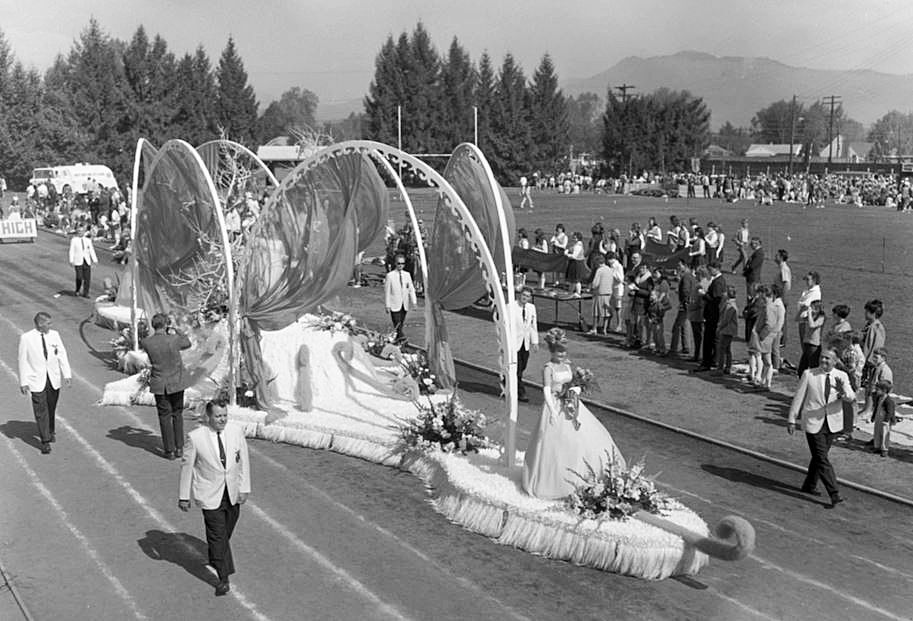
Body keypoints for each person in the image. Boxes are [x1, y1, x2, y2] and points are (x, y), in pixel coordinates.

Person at [522, 328, 625, 500]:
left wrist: (577, 388)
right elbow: (546, 390)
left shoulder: (568, 365)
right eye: (558, 352)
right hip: (555, 404)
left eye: (563, 352)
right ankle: (554, 481)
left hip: (571, 403)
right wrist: (553, 410)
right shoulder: (548, 368)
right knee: (557, 443)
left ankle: (590, 474)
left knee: (585, 438)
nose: (561, 355)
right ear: (552, 351)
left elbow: (572, 383)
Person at [179, 398, 251, 597]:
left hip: (232, 493)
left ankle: (215, 555)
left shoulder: (235, 432)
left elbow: (243, 459)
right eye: (218, 416)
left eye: (225, 415)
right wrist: (184, 496)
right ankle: (223, 577)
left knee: (225, 533)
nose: (222, 419)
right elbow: (187, 467)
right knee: (218, 536)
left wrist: (244, 488)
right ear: (208, 417)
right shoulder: (195, 437)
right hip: (209, 494)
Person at [787, 348, 853, 508]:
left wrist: (845, 395)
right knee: (822, 458)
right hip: (812, 422)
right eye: (822, 358)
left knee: (819, 457)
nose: (823, 361)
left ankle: (809, 485)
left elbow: (851, 395)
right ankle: (834, 493)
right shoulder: (809, 374)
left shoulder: (841, 376)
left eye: (827, 359)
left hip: (832, 423)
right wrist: (791, 419)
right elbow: (798, 397)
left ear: (835, 360)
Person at [18, 312, 72, 454]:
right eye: (48, 323)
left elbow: (61, 354)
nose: (51, 325)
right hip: (36, 380)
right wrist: (23, 381)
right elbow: (22, 360)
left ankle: (50, 430)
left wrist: (67, 374)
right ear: (40, 324)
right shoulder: (26, 338)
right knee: (40, 410)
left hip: (53, 378)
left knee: (51, 407)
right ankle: (45, 440)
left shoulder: (55, 335)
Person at [141, 313, 193, 460]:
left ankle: (169, 450)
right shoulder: (174, 339)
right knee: (177, 414)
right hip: (176, 381)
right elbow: (187, 343)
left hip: (159, 383)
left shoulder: (147, 342)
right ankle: (179, 448)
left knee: (164, 416)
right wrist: (177, 329)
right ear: (166, 325)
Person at [695, 261, 726, 371]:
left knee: (709, 339)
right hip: (714, 314)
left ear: (716, 269)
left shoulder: (718, 282)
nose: (709, 271)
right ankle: (713, 360)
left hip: (713, 314)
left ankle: (707, 362)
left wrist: (704, 295)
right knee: (713, 339)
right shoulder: (719, 280)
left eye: (710, 269)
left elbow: (715, 300)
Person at [511, 287, 539, 402]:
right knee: (517, 370)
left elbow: (533, 326)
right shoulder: (511, 307)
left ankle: (508, 380)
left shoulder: (531, 308)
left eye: (527, 296)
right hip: (514, 343)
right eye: (523, 295)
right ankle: (521, 392)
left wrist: (535, 342)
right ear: (519, 295)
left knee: (523, 366)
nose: (525, 298)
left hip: (525, 343)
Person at [384, 253, 418, 343]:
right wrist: (387, 305)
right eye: (399, 263)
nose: (400, 265)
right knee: (397, 324)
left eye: (402, 263)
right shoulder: (390, 276)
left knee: (400, 324)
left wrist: (414, 302)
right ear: (395, 263)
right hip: (394, 304)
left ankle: (398, 340)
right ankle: (403, 339)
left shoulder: (407, 275)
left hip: (404, 304)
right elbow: (387, 291)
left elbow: (411, 289)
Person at [669, 260, 694, 357]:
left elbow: (686, 291)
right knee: (685, 325)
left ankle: (673, 348)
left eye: (679, 265)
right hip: (688, 305)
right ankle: (686, 347)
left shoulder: (686, 277)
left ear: (685, 265)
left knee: (677, 326)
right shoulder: (690, 276)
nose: (678, 267)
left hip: (684, 306)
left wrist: (683, 302)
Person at [68, 224, 99, 298]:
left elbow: (91, 250)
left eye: (81, 231)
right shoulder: (74, 240)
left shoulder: (88, 240)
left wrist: (95, 259)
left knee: (87, 278)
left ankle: (86, 293)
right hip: (78, 261)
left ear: (84, 232)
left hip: (86, 261)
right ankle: (77, 289)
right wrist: (71, 260)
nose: (80, 232)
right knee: (79, 277)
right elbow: (71, 250)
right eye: (79, 231)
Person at [869, 379, 896, 458]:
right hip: (878, 418)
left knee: (884, 435)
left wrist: (886, 420)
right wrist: (873, 417)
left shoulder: (889, 401)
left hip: (885, 421)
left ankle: (884, 449)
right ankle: (877, 446)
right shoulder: (879, 399)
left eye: (878, 390)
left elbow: (890, 412)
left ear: (884, 390)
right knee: (877, 433)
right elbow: (876, 408)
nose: (876, 391)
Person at [587, 254, 613, 336]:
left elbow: (595, 283)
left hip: (600, 293)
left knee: (596, 312)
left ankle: (594, 329)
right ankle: (604, 329)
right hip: (608, 293)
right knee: (606, 313)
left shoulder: (599, 270)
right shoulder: (609, 269)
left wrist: (591, 288)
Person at [715, 286, 739, 374]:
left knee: (722, 349)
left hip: (727, 330)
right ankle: (727, 367)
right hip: (730, 330)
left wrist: (719, 327)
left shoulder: (730, 305)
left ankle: (720, 369)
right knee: (727, 349)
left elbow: (726, 320)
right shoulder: (731, 304)